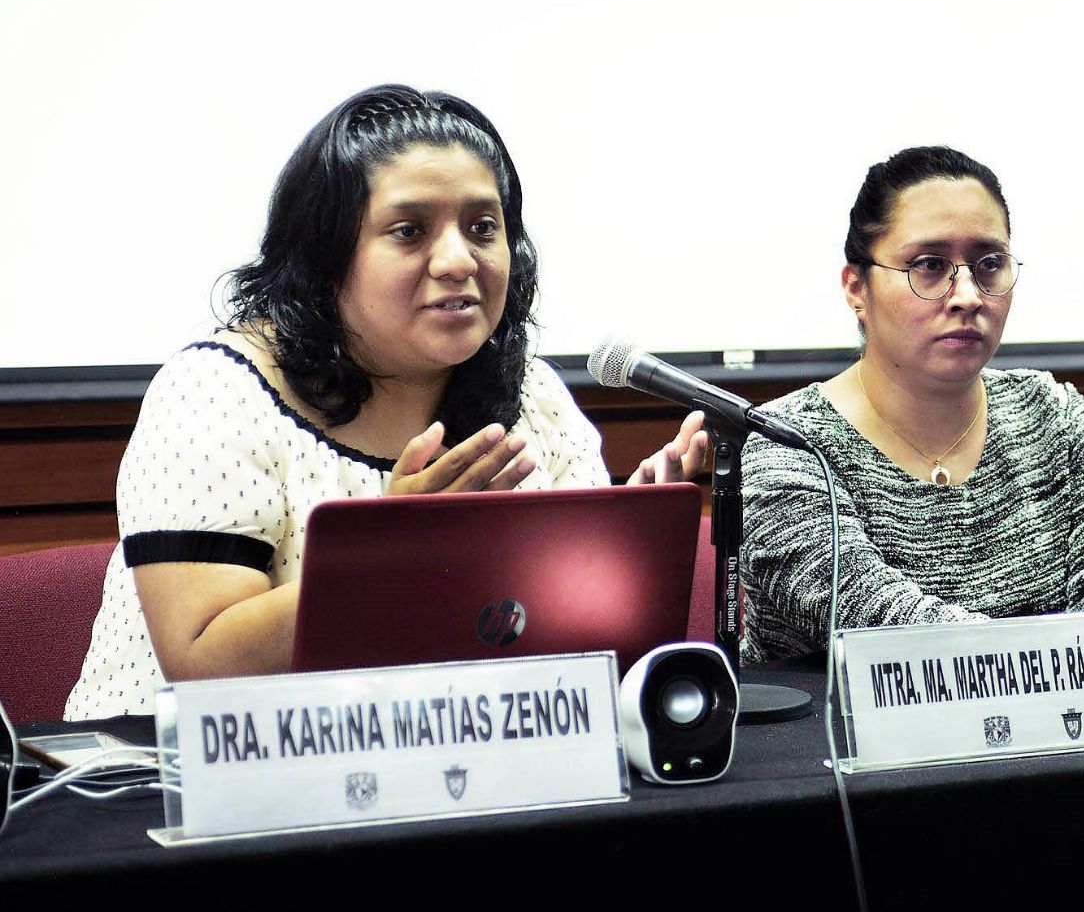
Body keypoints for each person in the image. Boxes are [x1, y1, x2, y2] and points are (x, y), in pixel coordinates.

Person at [64, 85, 706, 718]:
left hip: (444, 772)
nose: (458, 260)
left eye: (483, 227)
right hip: (152, 792)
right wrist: (390, 556)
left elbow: (570, 655)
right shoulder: (215, 393)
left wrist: (626, 557)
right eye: (408, 231)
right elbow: (205, 667)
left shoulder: (531, 396)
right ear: (326, 258)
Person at [738, 146, 1084, 683]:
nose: (967, 296)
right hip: (838, 756)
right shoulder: (785, 442)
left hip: (1057, 742)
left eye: (989, 265)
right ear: (856, 288)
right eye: (928, 266)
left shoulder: (1057, 415)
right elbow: (873, 618)